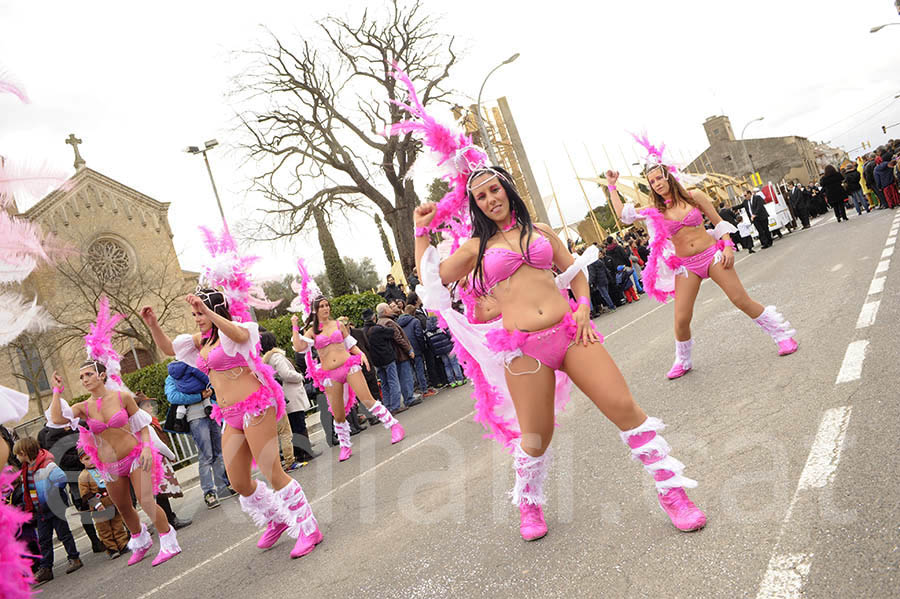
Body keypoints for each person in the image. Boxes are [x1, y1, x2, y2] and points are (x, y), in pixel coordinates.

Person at [142, 283, 321, 559]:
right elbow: (169, 348)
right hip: (229, 415)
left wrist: (211, 314)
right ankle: (277, 518)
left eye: (200, 312)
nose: (197, 317)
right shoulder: (202, 341)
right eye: (194, 314)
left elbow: (236, 333)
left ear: (215, 310)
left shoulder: (241, 329)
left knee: (273, 472)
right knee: (237, 480)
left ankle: (309, 528)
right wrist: (153, 325)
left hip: (256, 407)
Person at [608, 144, 798, 382]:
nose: (656, 183)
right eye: (651, 181)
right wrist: (612, 186)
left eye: (659, 178)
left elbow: (717, 221)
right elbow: (624, 216)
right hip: (686, 266)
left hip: (712, 255)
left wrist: (727, 245)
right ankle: (683, 360)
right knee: (681, 317)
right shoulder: (654, 210)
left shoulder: (693, 196)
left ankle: (782, 335)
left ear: (668, 176)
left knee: (740, 299)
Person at [48, 346, 180, 567]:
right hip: (109, 466)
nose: (84, 379)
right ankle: (141, 541)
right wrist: (56, 391)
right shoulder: (83, 407)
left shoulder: (123, 397)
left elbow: (143, 425)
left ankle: (169, 541)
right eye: (81, 377)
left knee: (147, 501)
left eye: (88, 374)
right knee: (124, 508)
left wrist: (147, 448)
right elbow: (56, 419)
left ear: (101, 375)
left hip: (135, 457)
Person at [292, 297, 405, 462]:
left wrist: (362, 355)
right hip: (330, 375)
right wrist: (295, 326)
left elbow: (351, 345)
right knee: (338, 414)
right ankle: (345, 445)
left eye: (327, 305)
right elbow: (299, 347)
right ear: (315, 310)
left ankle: (394, 426)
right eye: (322, 306)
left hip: (349, 366)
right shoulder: (312, 331)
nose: (326, 308)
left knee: (367, 400)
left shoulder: (338, 325)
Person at [13, 437, 82, 584]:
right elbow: (28, 489)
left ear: (24, 452)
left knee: (64, 533)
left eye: (17, 454)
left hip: (54, 506)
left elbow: (61, 478)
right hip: (40, 509)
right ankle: (46, 568)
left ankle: (74, 557)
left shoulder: (47, 465)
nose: (16, 457)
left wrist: (52, 494)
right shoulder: (27, 469)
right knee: (44, 539)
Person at [164, 360, 232, 508]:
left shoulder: (196, 368)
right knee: (206, 455)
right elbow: (173, 397)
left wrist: (211, 391)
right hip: (195, 417)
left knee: (219, 452)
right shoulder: (171, 377)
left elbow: (214, 382)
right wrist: (199, 396)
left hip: (213, 412)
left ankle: (222, 487)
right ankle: (209, 493)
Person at [37, 414, 105, 555]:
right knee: (83, 506)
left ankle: (114, 534)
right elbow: (54, 456)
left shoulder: (78, 424)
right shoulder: (45, 434)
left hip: (93, 469)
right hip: (72, 474)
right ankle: (95, 541)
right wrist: (81, 458)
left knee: (104, 499)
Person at [261, 331, 314, 470]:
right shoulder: (277, 357)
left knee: (294, 424)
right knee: (299, 423)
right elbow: (286, 374)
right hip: (291, 392)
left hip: (283, 395)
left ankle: (299, 453)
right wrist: (299, 376)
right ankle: (305, 453)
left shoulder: (267, 360)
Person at [77, 447, 130, 559]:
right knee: (104, 528)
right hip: (99, 505)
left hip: (111, 500)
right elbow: (86, 494)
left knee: (117, 523)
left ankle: (123, 544)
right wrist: (96, 504)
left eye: (91, 457)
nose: (90, 461)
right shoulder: (83, 476)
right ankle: (111, 548)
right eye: (86, 459)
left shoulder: (103, 468)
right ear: (81, 461)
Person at [377, 302, 421, 408]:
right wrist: (409, 349)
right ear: (385, 310)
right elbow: (399, 338)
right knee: (406, 376)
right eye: (388, 307)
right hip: (399, 353)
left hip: (392, 354)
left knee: (400, 377)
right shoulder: (389, 322)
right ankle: (409, 398)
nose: (391, 308)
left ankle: (406, 398)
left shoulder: (380, 322)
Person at [398, 305, 437, 398]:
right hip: (416, 348)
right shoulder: (415, 321)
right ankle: (424, 389)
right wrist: (422, 347)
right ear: (414, 312)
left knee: (412, 371)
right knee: (420, 369)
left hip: (406, 349)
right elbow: (419, 335)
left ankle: (417, 389)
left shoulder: (398, 323)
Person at [425, 317, 466, 387]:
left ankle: (452, 381)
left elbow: (430, 343)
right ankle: (459, 379)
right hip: (449, 348)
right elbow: (449, 335)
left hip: (440, 351)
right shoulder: (441, 326)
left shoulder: (427, 332)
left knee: (446, 365)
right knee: (454, 363)